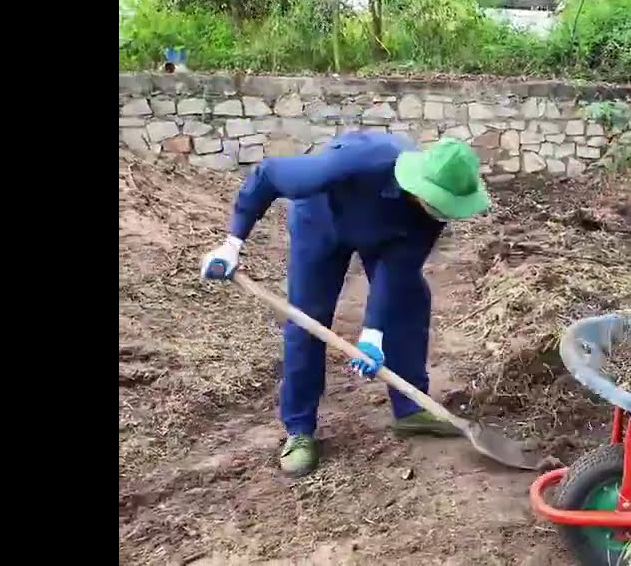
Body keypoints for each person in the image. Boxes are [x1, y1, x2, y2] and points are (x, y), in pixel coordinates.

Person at [199, 133, 491, 476]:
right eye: (438, 202)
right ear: (420, 183)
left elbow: (398, 269)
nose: (443, 213)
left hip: (386, 237)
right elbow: (268, 175)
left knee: (409, 301)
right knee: (309, 319)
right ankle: (299, 429)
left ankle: (411, 408)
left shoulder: (431, 216)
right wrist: (232, 244)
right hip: (319, 225)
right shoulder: (350, 165)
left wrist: (373, 334)